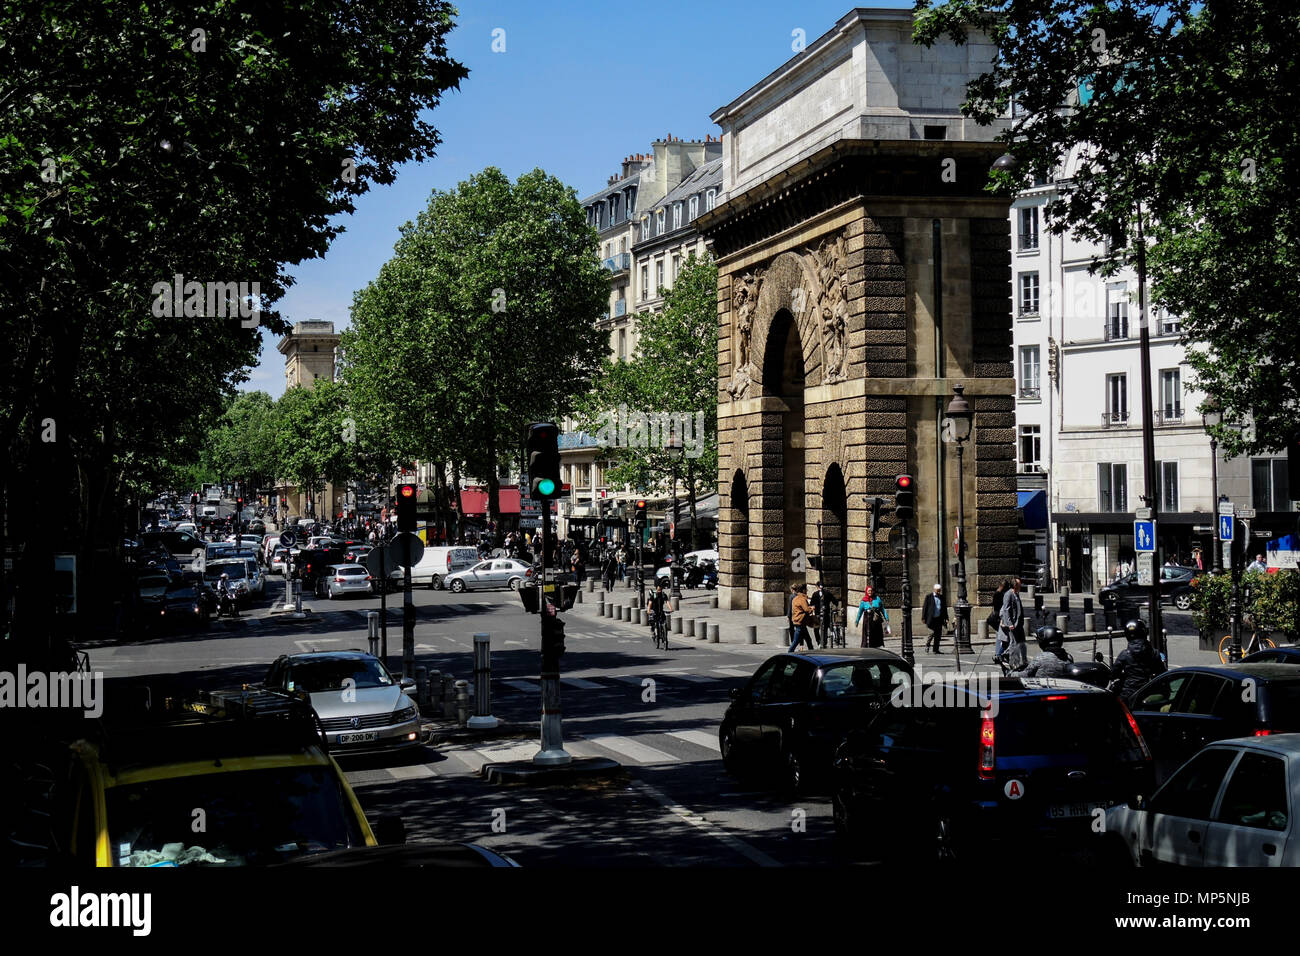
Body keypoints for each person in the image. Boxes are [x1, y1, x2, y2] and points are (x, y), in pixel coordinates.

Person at [1108, 619, 1167, 701]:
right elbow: (1161, 672)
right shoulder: (1154, 653)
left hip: (1128, 693)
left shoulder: (1124, 654)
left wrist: (1124, 675)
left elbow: (1114, 674)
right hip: (1147, 691)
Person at [997, 578, 1026, 668]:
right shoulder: (1008, 594)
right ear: (1015, 585)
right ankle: (1013, 663)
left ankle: (1024, 661)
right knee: (1014, 644)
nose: (1021, 586)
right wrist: (1009, 623)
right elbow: (1006, 610)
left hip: (1019, 624)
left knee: (1022, 642)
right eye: (1019, 584)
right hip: (1013, 624)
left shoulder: (1016, 594)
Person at [855, 584, 890, 648]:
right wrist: (857, 621)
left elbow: (882, 609)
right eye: (868, 591)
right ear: (866, 591)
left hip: (876, 619)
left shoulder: (877, 599)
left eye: (871, 591)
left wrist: (886, 617)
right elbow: (860, 612)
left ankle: (877, 645)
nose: (870, 592)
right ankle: (867, 646)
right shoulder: (863, 601)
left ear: (873, 591)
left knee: (877, 633)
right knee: (868, 633)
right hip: (867, 620)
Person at [921, 583, 949, 654]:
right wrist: (923, 617)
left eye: (939, 591)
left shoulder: (942, 597)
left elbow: (944, 608)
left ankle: (935, 649)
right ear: (934, 590)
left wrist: (946, 617)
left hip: (939, 619)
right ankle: (927, 645)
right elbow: (925, 607)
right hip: (931, 619)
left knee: (938, 635)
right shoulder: (929, 597)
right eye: (937, 591)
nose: (939, 592)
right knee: (932, 633)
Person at [810, 582, 839, 648]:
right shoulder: (827, 593)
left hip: (818, 614)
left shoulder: (815, 594)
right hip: (825, 614)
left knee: (818, 629)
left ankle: (819, 642)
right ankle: (823, 642)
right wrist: (835, 607)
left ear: (817, 587)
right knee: (824, 628)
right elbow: (835, 601)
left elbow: (811, 604)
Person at [788, 582, 815, 652]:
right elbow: (806, 610)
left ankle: (812, 652)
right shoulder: (802, 599)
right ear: (803, 590)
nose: (807, 591)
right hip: (800, 622)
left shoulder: (795, 598)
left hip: (799, 622)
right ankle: (789, 653)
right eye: (806, 589)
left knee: (808, 640)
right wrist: (812, 608)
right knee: (796, 641)